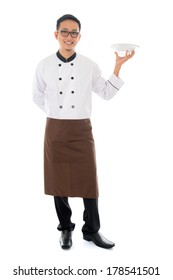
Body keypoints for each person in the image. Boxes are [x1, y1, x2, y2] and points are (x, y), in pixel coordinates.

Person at [33, 14, 135, 250]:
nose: (70, 37)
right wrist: (56, 115)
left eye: (74, 33)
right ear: (56, 34)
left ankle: (91, 231)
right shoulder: (44, 65)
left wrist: (117, 67)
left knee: (89, 182)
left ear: (80, 36)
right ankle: (66, 229)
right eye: (65, 32)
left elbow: (107, 93)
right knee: (58, 182)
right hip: (55, 128)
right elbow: (36, 96)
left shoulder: (89, 65)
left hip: (81, 128)